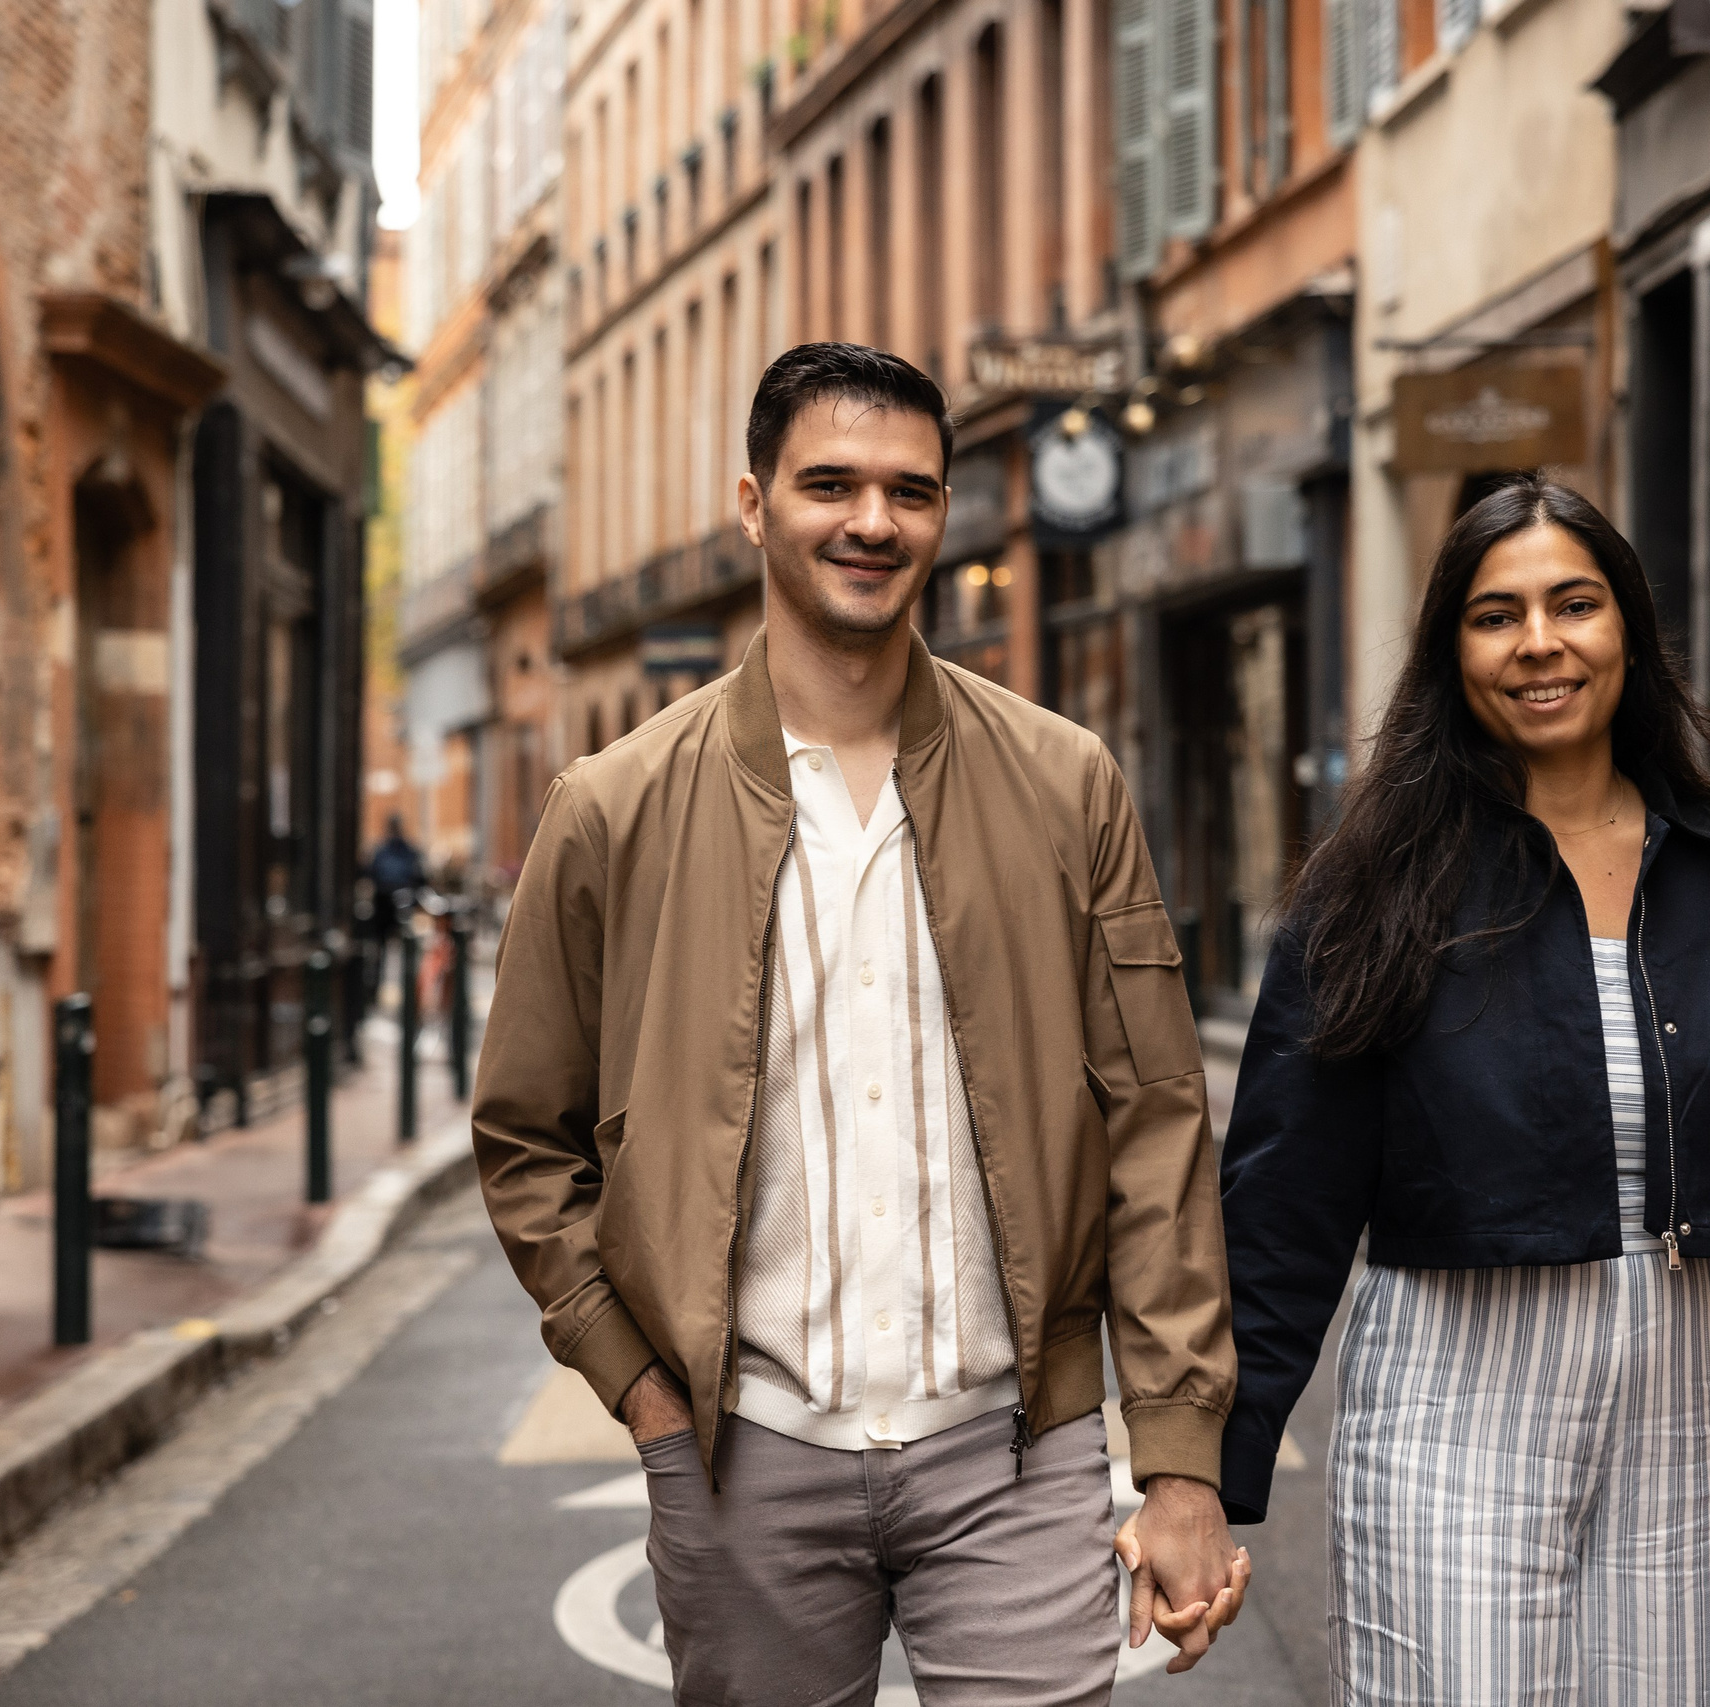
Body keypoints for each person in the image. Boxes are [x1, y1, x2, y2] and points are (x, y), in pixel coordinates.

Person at [473, 343, 1247, 1705]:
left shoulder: (1068, 784)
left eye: (910, 490)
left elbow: (1157, 1131)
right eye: (829, 483)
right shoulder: (614, 807)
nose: (872, 521)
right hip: (744, 1455)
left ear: (945, 513)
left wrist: (1179, 1460)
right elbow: (526, 1136)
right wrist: (647, 1394)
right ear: (753, 501)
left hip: (1018, 1447)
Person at [1214, 475, 1710, 1705]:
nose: (1539, 643)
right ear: (1451, 650)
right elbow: (1282, 1204)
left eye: (1573, 605)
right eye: (1495, 615)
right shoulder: (1375, 886)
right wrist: (1205, 1478)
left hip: (1686, 1422)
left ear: (1626, 628)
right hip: (1450, 1415)